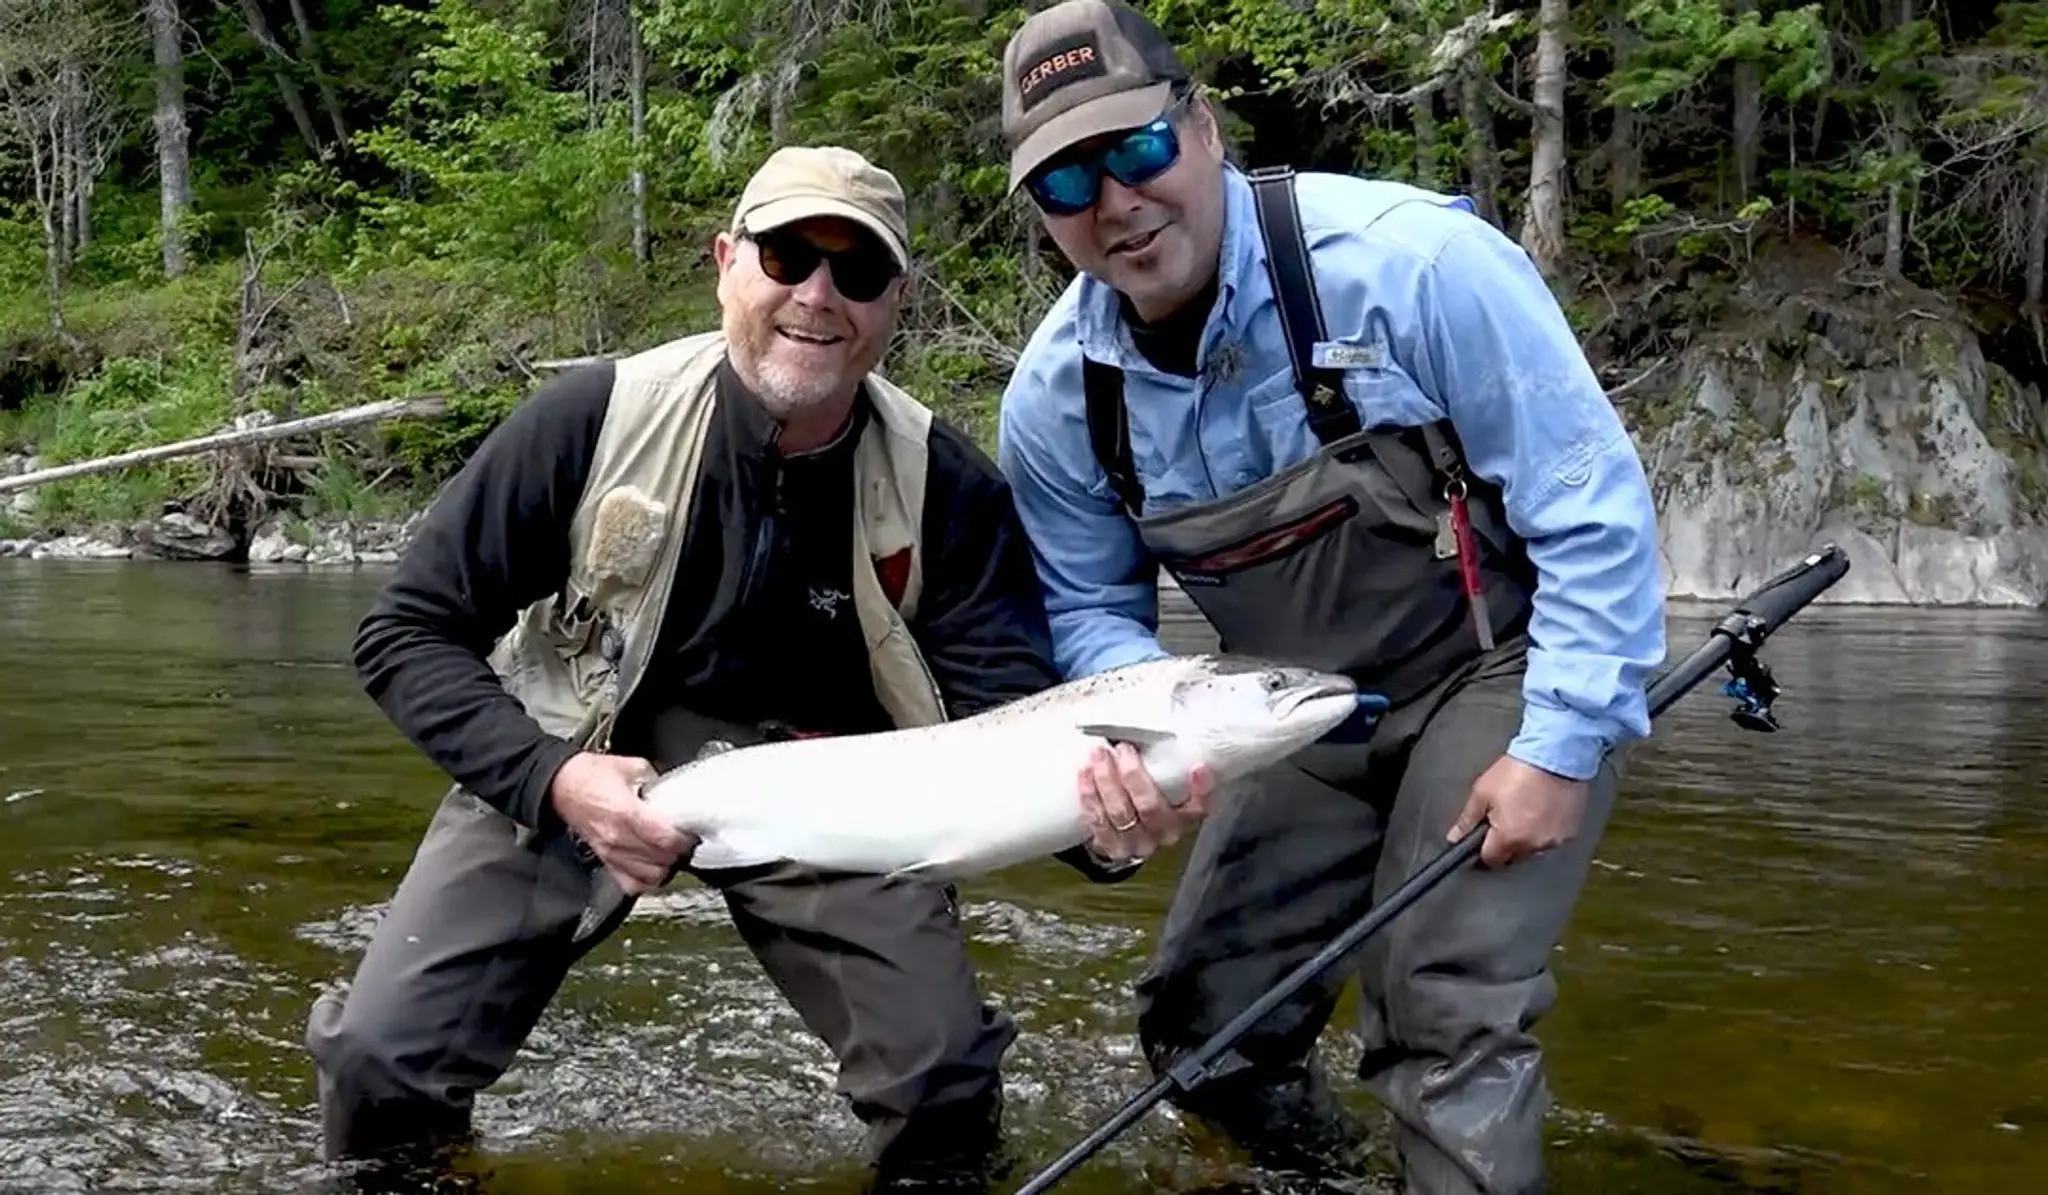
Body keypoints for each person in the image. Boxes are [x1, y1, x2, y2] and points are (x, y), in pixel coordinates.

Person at [302, 143, 1202, 1193]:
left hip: (834, 783)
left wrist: (1107, 832)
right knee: (379, 1065)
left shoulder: (948, 488)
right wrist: (550, 778)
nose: (817, 297)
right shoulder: (587, 419)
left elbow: (1013, 731)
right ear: (726, 262)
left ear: (896, 301)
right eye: (786, 258)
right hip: (580, 748)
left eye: (857, 273)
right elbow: (404, 633)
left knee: (943, 1084)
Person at [990, 3, 1669, 1193]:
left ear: (1200, 128)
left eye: (1136, 150)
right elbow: (1095, 624)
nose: (1114, 201)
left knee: (1438, 1004)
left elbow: (1591, 510)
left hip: (1495, 669)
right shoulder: (1055, 401)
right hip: (1288, 710)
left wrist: (1558, 748)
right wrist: (1148, 758)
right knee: (1199, 1029)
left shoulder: (1411, 265)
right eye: (1064, 183)